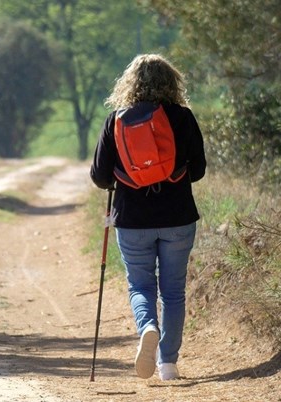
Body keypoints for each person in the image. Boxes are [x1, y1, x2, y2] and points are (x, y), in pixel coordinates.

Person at [90, 54, 206, 381]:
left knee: (140, 285)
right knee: (173, 291)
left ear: (130, 82)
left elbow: (99, 177)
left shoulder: (116, 119)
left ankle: (148, 328)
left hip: (131, 219)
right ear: (172, 82)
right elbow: (197, 170)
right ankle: (168, 364)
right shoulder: (183, 117)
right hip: (178, 217)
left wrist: (125, 174)